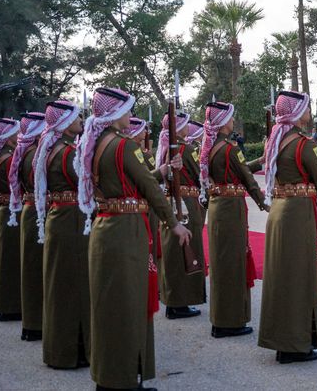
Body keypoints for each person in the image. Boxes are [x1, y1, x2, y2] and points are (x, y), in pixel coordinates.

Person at [77, 86, 192, 390]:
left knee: (108, 307)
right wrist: (173, 222)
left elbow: (132, 182)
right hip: (126, 231)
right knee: (128, 307)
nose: (130, 115)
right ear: (115, 114)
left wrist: (163, 169)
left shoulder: (97, 142)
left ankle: (109, 376)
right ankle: (125, 380)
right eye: (126, 110)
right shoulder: (125, 146)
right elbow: (149, 189)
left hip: (105, 227)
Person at [258, 90, 317, 364]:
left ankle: (282, 340)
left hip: (279, 212)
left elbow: (304, 170)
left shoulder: (276, 139)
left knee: (282, 278)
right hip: (297, 216)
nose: (310, 113)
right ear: (298, 113)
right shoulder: (303, 142)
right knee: (299, 279)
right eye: (307, 109)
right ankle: (295, 345)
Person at [202, 101, 268, 339]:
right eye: (230, 118)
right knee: (233, 265)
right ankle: (230, 321)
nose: (232, 121)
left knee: (221, 264)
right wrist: (264, 203)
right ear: (222, 123)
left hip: (218, 207)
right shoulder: (230, 149)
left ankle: (219, 319)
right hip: (231, 210)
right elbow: (247, 179)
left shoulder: (210, 148)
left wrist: (258, 161)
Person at [33, 100, 90, 368]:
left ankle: (61, 350)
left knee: (62, 287)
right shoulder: (67, 152)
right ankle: (70, 352)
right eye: (77, 118)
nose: (81, 122)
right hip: (70, 222)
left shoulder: (54, 148)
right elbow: (87, 181)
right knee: (72, 288)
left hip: (62, 218)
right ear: (66, 125)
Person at [157, 110, 207, 320]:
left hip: (176, 201)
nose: (188, 127)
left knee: (174, 255)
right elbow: (199, 174)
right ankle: (179, 302)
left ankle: (174, 300)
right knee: (185, 252)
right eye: (185, 123)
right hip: (186, 202)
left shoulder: (169, 148)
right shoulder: (185, 148)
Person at [8, 111, 47, 341]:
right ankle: (35, 323)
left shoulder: (25, 152)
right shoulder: (34, 154)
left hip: (31, 210)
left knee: (32, 269)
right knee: (35, 270)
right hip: (36, 212)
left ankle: (32, 323)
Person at [0, 117, 22, 322]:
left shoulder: (0, 155)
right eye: (15, 132)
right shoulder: (8, 158)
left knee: (4, 258)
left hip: (3, 208)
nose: (18, 135)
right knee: (11, 260)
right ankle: (10, 305)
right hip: (12, 210)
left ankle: (4, 303)